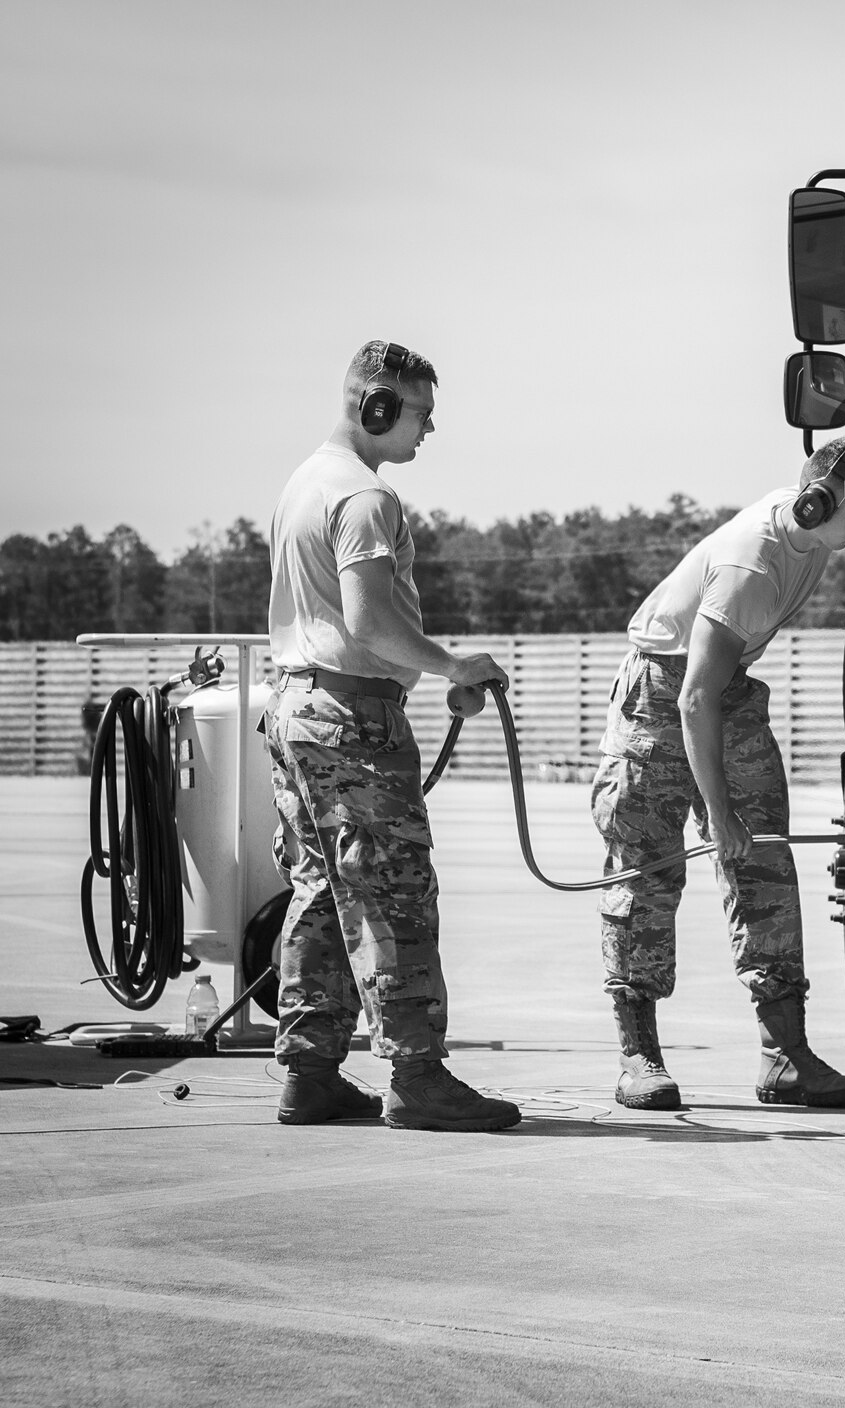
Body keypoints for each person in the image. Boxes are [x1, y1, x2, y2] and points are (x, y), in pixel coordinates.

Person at [593, 437, 845, 1111]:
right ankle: (637, 1054)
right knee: (647, 871)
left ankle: (785, 1056)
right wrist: (719, 816)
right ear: (817, 505)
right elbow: (694, 698)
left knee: (766, 865)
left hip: (722, 690)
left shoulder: (817, 520)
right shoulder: (751, 565)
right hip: (664, 697)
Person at [263, 340, 520, 1132]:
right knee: (393, 893)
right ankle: (417, 1076)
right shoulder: (367, 498)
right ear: (377, 408)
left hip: (297, 707)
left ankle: (309, 1071)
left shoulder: (302, 484)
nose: (427, 432)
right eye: (420, 415)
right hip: (351, 715)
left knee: (318, 890)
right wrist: (450, 665)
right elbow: (371, 622)